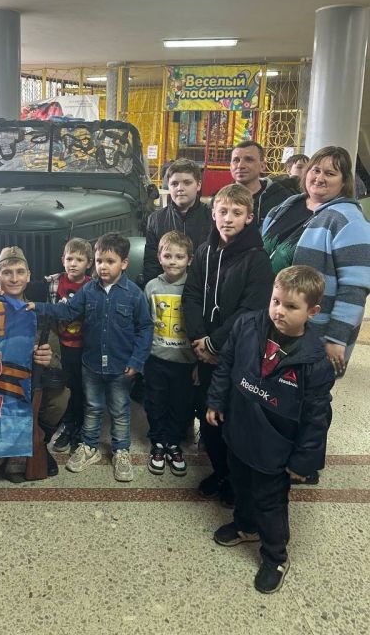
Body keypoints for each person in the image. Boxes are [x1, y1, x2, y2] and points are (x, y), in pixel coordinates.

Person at [206, 266, 334, 594]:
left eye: (291, 306)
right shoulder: (247, 326)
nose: (279, 311)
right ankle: (246, 526)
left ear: (312, 312)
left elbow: (316, 418)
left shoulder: (314, 362)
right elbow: (226, 364)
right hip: (239, 432)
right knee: (240, 485)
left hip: (274, 448)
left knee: (269, 502)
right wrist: (216, 401)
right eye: (276, 301)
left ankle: (275, 555)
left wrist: (303, 462)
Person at [33, 233, 153, 482]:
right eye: (99, 261)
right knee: (93, 407)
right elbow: (67, 310)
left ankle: (121, 451)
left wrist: (137, 361)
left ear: (124, 263)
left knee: (119, 410)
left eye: (110, 261)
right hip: (91, 364)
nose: (103, 267)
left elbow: (145, 328)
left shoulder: (134, 294)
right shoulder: (88, 290)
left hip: (121, 367)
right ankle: (89, 446)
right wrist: (38, 307)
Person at [183, 184, 274, 504]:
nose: (228, 218)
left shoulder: (257, 260)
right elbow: (192, 294)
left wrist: (213, 343)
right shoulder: (204, 252)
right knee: (207, 412)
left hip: (236, 353)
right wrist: (198, 340)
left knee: (232, 418)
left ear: (249, 217)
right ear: (213, 214)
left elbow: (251, 310)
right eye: (222, 211)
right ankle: (220, 471)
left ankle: (236, 479)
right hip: (204, 350)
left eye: (237, 213)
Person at [262, 146, 370, 377]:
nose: (320, 178)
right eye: (316, 170)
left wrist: (336, 338)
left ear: (344, 181)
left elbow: (354, 289)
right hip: (270, 319)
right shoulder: (287, 205)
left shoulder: (349, 221)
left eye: (330, 173)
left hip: (312, 331)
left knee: (301, 390)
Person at [0, 246, 69, 481]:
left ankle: (37, 442)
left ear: (29, 276)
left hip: (29, 390)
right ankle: (8, 446)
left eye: (20, 272)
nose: (14, 279)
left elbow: (57, 361)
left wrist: (48, 358)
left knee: (61, 397)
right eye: (7, 272)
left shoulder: (40, 313)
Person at [144, 231, 195, 476]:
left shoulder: (193, 287)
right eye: (168, 256)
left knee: (180, 404)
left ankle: (173, 443)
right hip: (156, 359)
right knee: (155, 402)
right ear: (159, 257)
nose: (173, 261)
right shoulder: (151, 287)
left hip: (184, 362)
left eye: (179, 257)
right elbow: (144, 323)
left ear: (189, 260)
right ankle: (158, 442)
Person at [44, 238, 93, 454]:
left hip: (84, 346)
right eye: (69, 259)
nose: (73, 264)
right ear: (62, 260)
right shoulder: (54, 283)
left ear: (89, 263)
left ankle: (81, 428)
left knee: (83, 387)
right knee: (66, 386)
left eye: (79, 260)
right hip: (61, 344)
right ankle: (68, 425)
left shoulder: (92, 285)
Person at [143, 158, 212, 284]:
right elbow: (151, 263)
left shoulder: (212, 218)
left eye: (187, 183)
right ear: (168, 186)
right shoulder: (155, 219)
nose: (180, 188)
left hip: (202, 287)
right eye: (174, 184)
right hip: (165, 289)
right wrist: (152, 289)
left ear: (198, 185)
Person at [229, 141, 293, 228]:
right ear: (230, 166)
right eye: (236, 160)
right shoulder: (221, 199)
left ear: (262, 166)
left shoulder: (282, 200)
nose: (240, 165)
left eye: (248, 160)